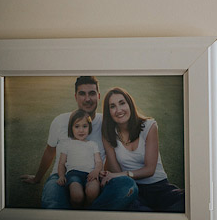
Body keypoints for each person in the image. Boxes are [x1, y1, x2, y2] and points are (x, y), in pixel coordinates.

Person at [19, 76, 137, 209]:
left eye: (92, 93)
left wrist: (106, 175)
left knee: (128, 185)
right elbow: (49, 151)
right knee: (53, 203)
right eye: (82, 94)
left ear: (98, 96)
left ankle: (89, 214)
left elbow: (113, 154)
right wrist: (37, 178)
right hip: (62, 177)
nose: (87, 99)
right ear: (76, 96)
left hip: (94, 178)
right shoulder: (60, 121)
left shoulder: (107, 122)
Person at [100, 88, 184, 212]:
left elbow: (149, 170)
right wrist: (116, 175)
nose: (119, 110)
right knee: (140, 211)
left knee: (188, 201)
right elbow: (118, 174)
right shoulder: (108, 133)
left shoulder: (149, 126)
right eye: (112, 106)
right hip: (132, 188)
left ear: (129, 104)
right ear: (108, 112)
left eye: (122, 103)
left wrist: (122, 174)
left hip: (158, 187)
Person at [55, 109, 103, 208]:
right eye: (77, 126)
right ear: (71, 128)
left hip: (90, 174)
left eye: (84, 126)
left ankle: (88, 207)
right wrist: (61, 176)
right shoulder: (67, 144)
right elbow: (61, 163)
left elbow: (98, 161)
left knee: (93, 191)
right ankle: (76, 209)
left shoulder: (92, 144)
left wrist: (96, 171)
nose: (81, 130)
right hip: (73, 174)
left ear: (89, 127)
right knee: (77, 196)